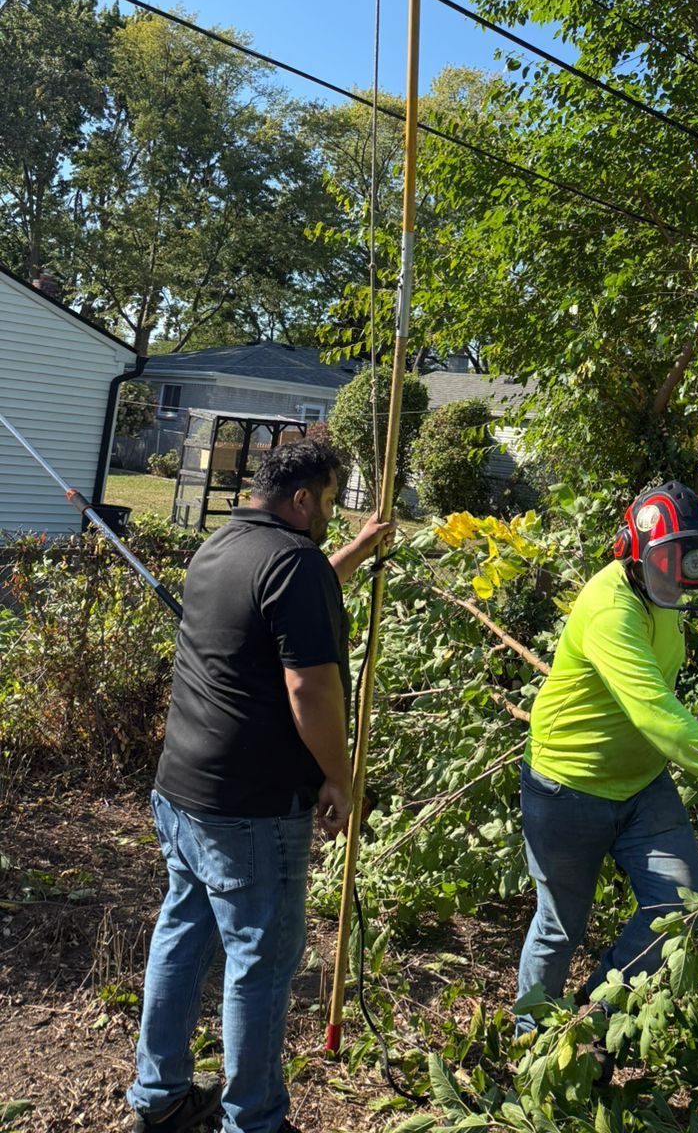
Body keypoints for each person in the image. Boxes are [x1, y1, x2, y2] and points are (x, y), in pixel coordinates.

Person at [126, 438, 391, 1133]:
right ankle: (255, 1121)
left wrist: (357, 552)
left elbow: (278, 606)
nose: (332, 513)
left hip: (182, 791)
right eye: (331, 501)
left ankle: (159, 1099)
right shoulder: (295, 563)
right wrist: (340, 776)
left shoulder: (223, 547)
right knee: (262, 962)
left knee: (183, 933)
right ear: (302, 499)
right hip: (252, 807)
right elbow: (310, 687)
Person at [515, 480, 698, 1061]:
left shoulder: (661, 600)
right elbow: (658, 714)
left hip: (643, 786)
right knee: (560, 925)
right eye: (667, 559)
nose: (679, 574)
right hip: (566, 788)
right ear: (634, 551)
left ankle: (588, 1024)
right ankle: (529, 1040)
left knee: (681, 908)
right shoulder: (610, 608)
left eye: (691, 558)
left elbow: (661, 710)